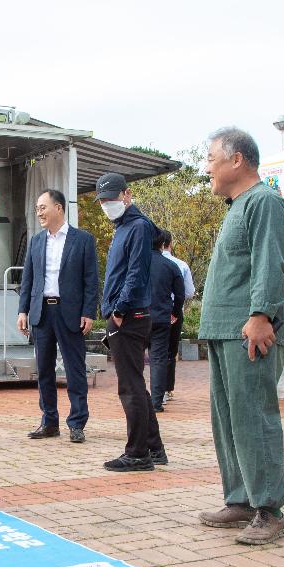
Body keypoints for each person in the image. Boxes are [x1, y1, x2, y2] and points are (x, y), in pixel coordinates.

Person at [196, 127, 284, 546]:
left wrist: (261, 314)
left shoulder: (265, 202)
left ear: (238, 160)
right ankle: (240, 498)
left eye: (212, 159)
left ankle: (268, 508)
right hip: (222, 332)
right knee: (228, 419)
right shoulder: (236, 205)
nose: (207, 168)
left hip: (249, 331)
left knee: (254, 416)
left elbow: (271, 263)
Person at [94, 172, 168, 471]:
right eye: (102, 200)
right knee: (136, 384)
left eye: (111, 198)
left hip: (130, 315)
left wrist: (120, 310)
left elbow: (135, 273)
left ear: (126, 194)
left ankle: (138, 454)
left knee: (130, 387)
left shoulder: (137, 227)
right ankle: (154, 448)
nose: (106, 204)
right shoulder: (123, 226)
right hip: (127, 313)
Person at [17, 188, 99, 444]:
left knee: (75, 370)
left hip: (71, 313)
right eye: (37, 208)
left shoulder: (82, 240)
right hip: (42, 313)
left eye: (43, 207)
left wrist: (88, 312)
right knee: (44, 370)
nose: (39, 212)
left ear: (59, 208)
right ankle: (49, 421)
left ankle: (77, 423)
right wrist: (23, 310)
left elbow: (90, 280)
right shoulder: (37, 241)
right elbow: (28, 278)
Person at [148, 231, 186, 412]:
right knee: (158, 359)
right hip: (162, 318)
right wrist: (175, 312)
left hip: (138, 318)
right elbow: (180, 294)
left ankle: (136, 398)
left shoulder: (137, 264)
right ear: (163, 244)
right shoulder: (171, 266)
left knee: (133, 360)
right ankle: (156, 402)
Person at [159, 230, 195, 403]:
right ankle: (167, 388)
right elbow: (188, 292)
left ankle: (156, 389)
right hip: (174, 311)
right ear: (170, 243)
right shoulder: (180, 265)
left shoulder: (147, 263)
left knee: (155, 351)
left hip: (153, 311)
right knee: (170, 350)